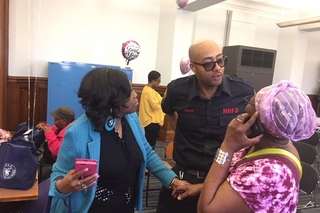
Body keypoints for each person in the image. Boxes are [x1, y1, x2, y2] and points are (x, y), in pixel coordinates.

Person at [48, 68, 186, 213]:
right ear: (111, 98)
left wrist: (172, 181)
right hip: (93, 208)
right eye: (129, 90)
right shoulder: (77, 132)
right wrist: (63, 186)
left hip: (126, 205)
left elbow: (147, 152)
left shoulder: (131, 118)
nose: (135, 94)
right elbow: (58, 173)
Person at [156, 39, 255, 213]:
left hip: (224, 182)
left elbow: (254, 130)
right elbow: (168, 110)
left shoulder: (243, 91)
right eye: (209, 64)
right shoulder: (177, 90)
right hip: (183, 178)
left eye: (220, 60)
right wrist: (181, 129)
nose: (217, 68)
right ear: (193, 67)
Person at [194, 80, 317, 213]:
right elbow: (241, 185)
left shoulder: (270, 172)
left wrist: (227, 147)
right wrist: (200, 187)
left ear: (262, 122)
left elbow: (205, 209)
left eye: (250, 103)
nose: (244, 109)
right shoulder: (269, 144)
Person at [139, 70, 165, 148]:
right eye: (158, 81)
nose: (159, 83)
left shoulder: (146, 89)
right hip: (152, 120)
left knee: (149, 143)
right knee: (150, 145)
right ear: (153, 81)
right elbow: (156, 106)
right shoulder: (149, 92)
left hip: (150, 120)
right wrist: (164, 102)